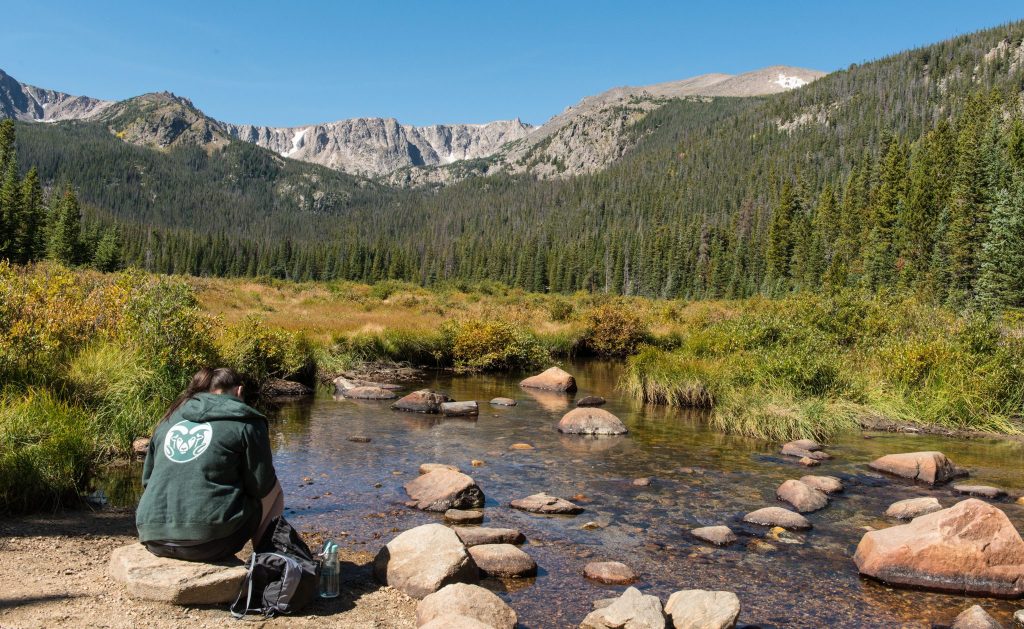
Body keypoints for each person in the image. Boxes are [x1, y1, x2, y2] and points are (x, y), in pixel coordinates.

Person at [136, 367, 284, 561]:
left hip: (152, 537)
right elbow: (261, 486)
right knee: (274, 491)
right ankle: (267, 562)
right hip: (209, 544)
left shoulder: (170, 417)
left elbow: (148, 481)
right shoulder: (248, 422)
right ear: (239, 391)